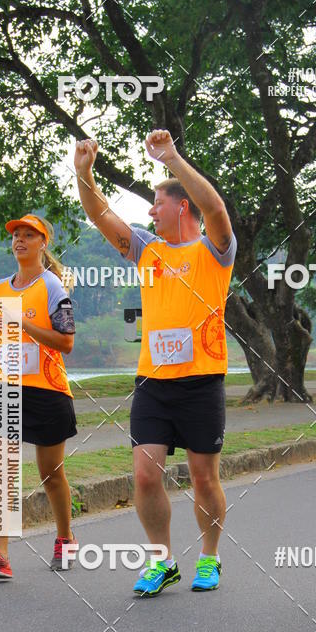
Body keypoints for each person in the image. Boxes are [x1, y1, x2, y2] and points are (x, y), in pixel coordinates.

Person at [75, 130, 236, 596]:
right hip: (152, 383)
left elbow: (216, 209)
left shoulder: (214, 251)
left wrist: (172, 159)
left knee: (204, 478)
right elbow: (101, 215)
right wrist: (84, 174)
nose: (150, 212)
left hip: (202, 382)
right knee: (145, 475)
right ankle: (162, 560)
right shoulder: (148, 250)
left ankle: (209, 556)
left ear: (182, 207)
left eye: (157, 204)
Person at [0, 214, 78, 579]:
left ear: (42, 243)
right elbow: (3, 342)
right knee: (2, 469)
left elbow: (66, 342)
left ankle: (65, 538)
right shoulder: (0, 288)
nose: (20, 240)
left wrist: (23, 323)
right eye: (17, 234)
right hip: (7, 388)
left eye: (29, 235)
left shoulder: (52, 286)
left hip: (47, 390)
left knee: (51, 474)